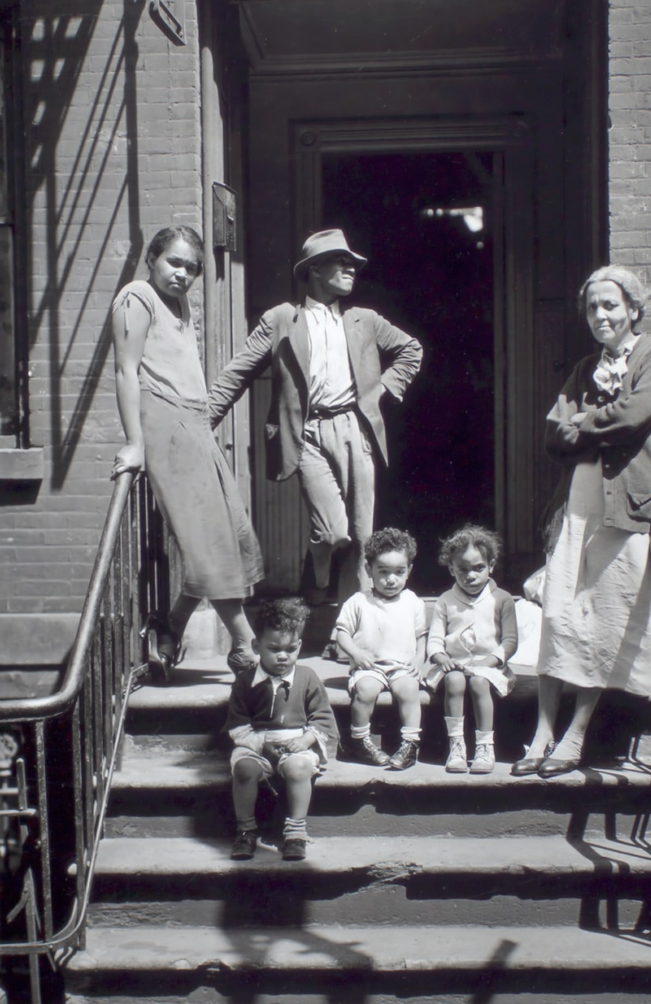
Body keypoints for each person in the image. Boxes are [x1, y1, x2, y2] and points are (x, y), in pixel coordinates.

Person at [207, 229, 423, 631]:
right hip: (306, 433)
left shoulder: (366, 320)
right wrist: (202, 422)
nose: (350, 268)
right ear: (313, 271)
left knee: (361, 537)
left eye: (353, 263)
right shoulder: (281, 320)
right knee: (331, 532)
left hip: (354, 429)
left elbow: (411, 349)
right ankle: (315, 580)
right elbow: (237, 374)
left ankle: (349, 633)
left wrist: (381, 392)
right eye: (339, 261)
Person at [511, 265, 651, 778]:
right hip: (576, 502)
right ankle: (541, 733)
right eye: (591, 307)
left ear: (633, 309)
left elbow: (637, 414)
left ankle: (575, 733)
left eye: (610, 305)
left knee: (605, 617)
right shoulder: (585, 368)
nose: (600, 315)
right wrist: (590, 425)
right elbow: (551, 439)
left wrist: (583, 423)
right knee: (560, 612)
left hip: (624, 504)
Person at [111, 226, 264, 682]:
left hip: (195, 423)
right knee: (207, 540)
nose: (182, 274)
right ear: (152, 258)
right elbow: (125, 371)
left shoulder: (180, 305)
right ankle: (245, 644)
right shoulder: (135, 296)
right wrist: (135, 443)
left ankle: (169, 629)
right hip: (165, 423)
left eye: (192, 268)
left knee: (227, 535)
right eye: (173, 262)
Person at [225, 598, 338, 861]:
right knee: (244, 769)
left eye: (291, 649)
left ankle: (296, 831)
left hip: (296, 744)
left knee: (298, 768)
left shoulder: (307, 677)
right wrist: (260, 744)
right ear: (257, 646)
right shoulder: (245, 681)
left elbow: (323, 718)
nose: (283, 656)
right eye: (274, 648)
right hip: (256, 745)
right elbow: (237, 724)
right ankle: (245, 830)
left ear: (299, 646)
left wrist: (306, 739)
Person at [425, 525, 518, 775]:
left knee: (478, 682)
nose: (471, 576)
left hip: (488, 667)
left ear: (491, 565)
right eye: (462, 569)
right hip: (454, 664)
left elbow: (510, 641)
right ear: (452, 569)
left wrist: (490, 661)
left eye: (478, 568)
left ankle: (485, 747)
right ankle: (456, 746)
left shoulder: (503, 599)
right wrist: (441, 657)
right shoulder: (445, 600)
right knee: (455, 680)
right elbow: (434, 639)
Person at [335, 528, 427, 771]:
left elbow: (421, 636)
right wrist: (355, 653)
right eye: (383, 572)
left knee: (409, 689)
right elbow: (341, 634)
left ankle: (410, 744)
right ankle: (359, 740)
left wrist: (419, 658)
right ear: (368, 570)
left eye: (399, 572)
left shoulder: (413, 602)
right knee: (365, 690)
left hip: (402, 667)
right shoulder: (359, 601)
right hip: (370, 667)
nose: (391, 579)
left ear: (409, 570)